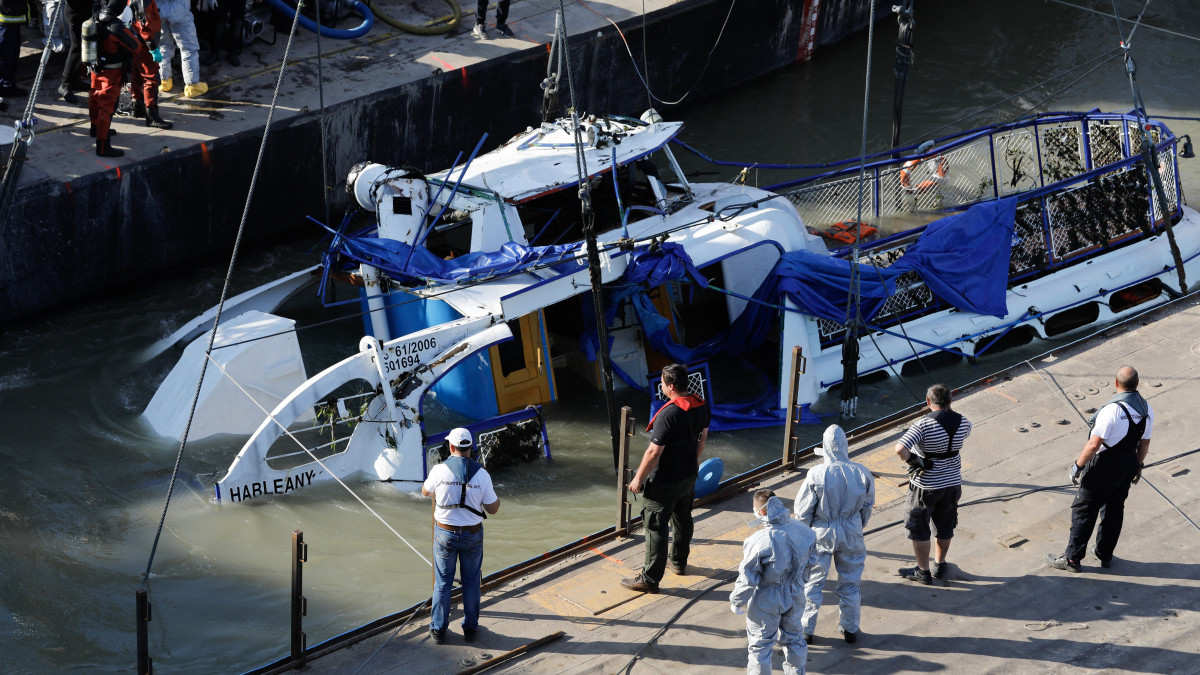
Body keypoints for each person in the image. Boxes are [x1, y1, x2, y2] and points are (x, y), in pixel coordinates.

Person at [1047, 365, 1152, 572]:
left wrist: (1078, 466)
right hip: (1128, 463)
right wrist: (1138, 466)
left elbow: (1094, 445)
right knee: (1114, 510)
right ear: (1137, 384)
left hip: (1104, 467)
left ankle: (1072, 559)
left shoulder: (1112, 410)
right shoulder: (1146, 409)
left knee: (1084, 510)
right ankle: (1104, 553)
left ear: (1116, 383)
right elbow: (1145, 443)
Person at [622, 362, 710, 594]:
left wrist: (638, 478)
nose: (661, 386)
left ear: (670, 386)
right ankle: (678, 563)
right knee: (683, 518)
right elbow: (702, 441)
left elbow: (653, 452)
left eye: (662, 382)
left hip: (665, 481)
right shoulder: (701, 405)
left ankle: (649, 579)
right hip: (689, 475)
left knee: (655, 527)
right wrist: (693, 462)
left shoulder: (669, 414)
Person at [794, 424, 875, 644]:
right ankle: (850, 629)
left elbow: (802, 512)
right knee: (850, 582)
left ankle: (806, 629)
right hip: (851, 531)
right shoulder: (862, 472)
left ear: (825, 447)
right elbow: (867, 506)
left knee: (812, 582)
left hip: (821, 531)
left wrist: (804, 537)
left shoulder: (816, 473)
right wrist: (856, 526)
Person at [421, 427, 500, 644]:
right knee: (472, 582)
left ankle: (438, 629)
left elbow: (425, 492)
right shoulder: (482, 474)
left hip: (444, 533)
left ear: (451, 447)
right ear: (470, 447)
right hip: (472, 536)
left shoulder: (439, 470)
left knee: (443, 583)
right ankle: (470, 628)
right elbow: (493, 509)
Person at [730, 490, 817, 675]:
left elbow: (747, 577)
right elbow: (812, 561)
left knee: (760, 647)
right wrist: (799, 581)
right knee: (795, 640)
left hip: (767, 598)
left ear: (761, 512)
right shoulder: (803, 530)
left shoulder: (759, 540)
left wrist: (737, 601)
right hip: (795, 593)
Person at [894, 383, 972, 585]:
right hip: (952, 483)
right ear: (951, 400)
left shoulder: (922, 425)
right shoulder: (964, 422)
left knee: (919, 528)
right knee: (945, 526)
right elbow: (961, 438)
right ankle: (939, 564)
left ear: (928, 401)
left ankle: (923, 571)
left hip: (925, 485)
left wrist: (914, 460)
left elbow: (900, 448)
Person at [89, 0, 141, 156]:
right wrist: (127, 28)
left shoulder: (95, 17)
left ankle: (94, 128)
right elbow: (136, 46)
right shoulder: (115, 26)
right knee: (107, 107)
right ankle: (103, 146)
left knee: (94, 97)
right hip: (111, 72)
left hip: (95, 69)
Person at [128, 0, 174, 128]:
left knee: (137, 71)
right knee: (151, 78)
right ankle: (152, 117)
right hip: (145, 42)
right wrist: (152, 48)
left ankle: (137, 106)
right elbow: (144, 24)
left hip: (136, 39)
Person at [156, 0, 207, 97]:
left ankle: (165, 81)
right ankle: (192, 86)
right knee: (188, 48)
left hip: (159, 10)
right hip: (179, 9)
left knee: (164, 46)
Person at [55, 0, 93, 102]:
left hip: (85, 10)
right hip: (74, 13)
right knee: (77, 47)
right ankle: (65, 84)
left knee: (83, 47)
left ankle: (75, 81)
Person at [0, 0, 28, 98]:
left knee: (13, 58)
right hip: (5, 21)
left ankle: (8, 85)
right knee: (3, 59)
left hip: (14, 19)